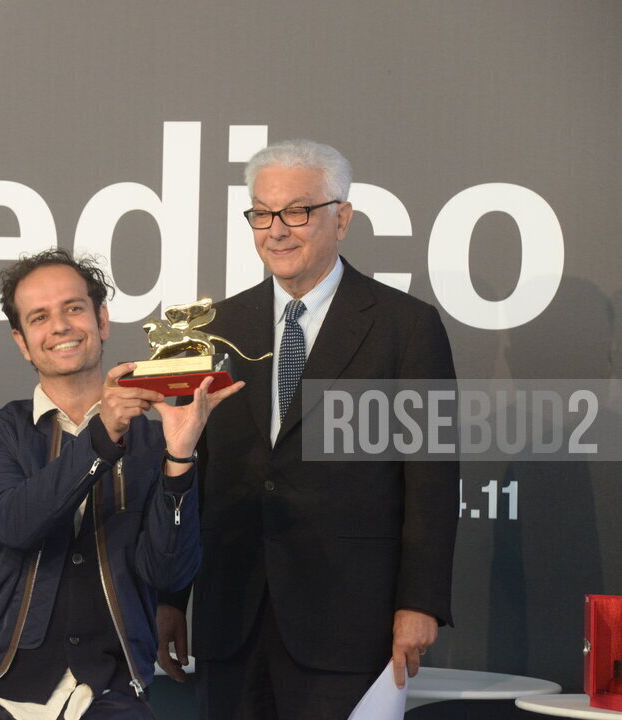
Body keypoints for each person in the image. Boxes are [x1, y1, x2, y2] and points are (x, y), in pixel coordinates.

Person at [157, 139, 460, 719]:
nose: (277, 230)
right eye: (262, 214)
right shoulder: (215, 328)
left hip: (348, 623)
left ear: (341, 218)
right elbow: (198, 468)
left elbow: (433, 479)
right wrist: (173, 596)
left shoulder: (406, 327)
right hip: (230, 618)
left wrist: (420, 601)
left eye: (297, 211)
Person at [0, 249, 242, 719]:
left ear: (102, 320)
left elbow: (169, 574)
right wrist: (104, 436)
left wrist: (180, 455)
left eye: (73, 308)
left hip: (112, 689)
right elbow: (15, 523)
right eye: (39, 317)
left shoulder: (154, 436)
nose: (59, 326)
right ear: (22, 341)